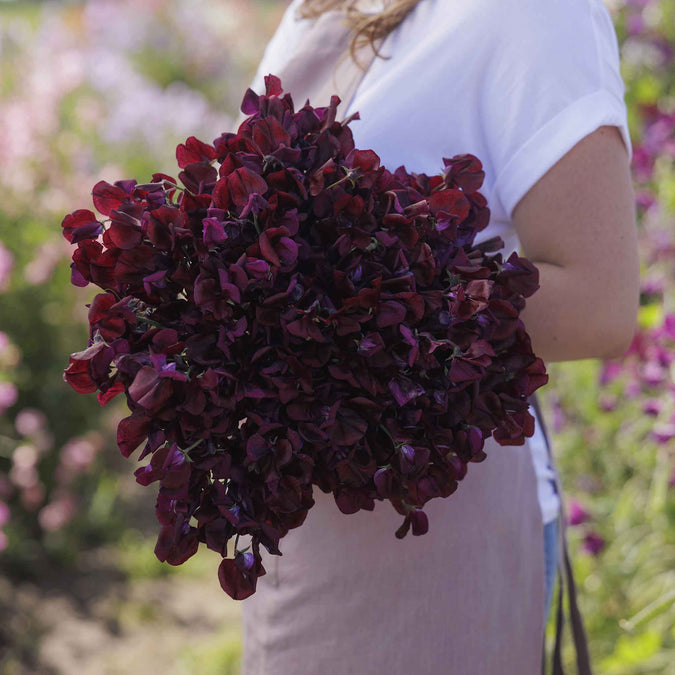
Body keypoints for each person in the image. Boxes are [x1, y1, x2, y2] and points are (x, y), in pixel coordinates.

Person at [236, 0, 640, 673]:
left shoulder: (534, 13)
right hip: (305, 518)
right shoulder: (324, 6)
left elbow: (599, 303)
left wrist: (356, 310)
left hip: (439, 522)